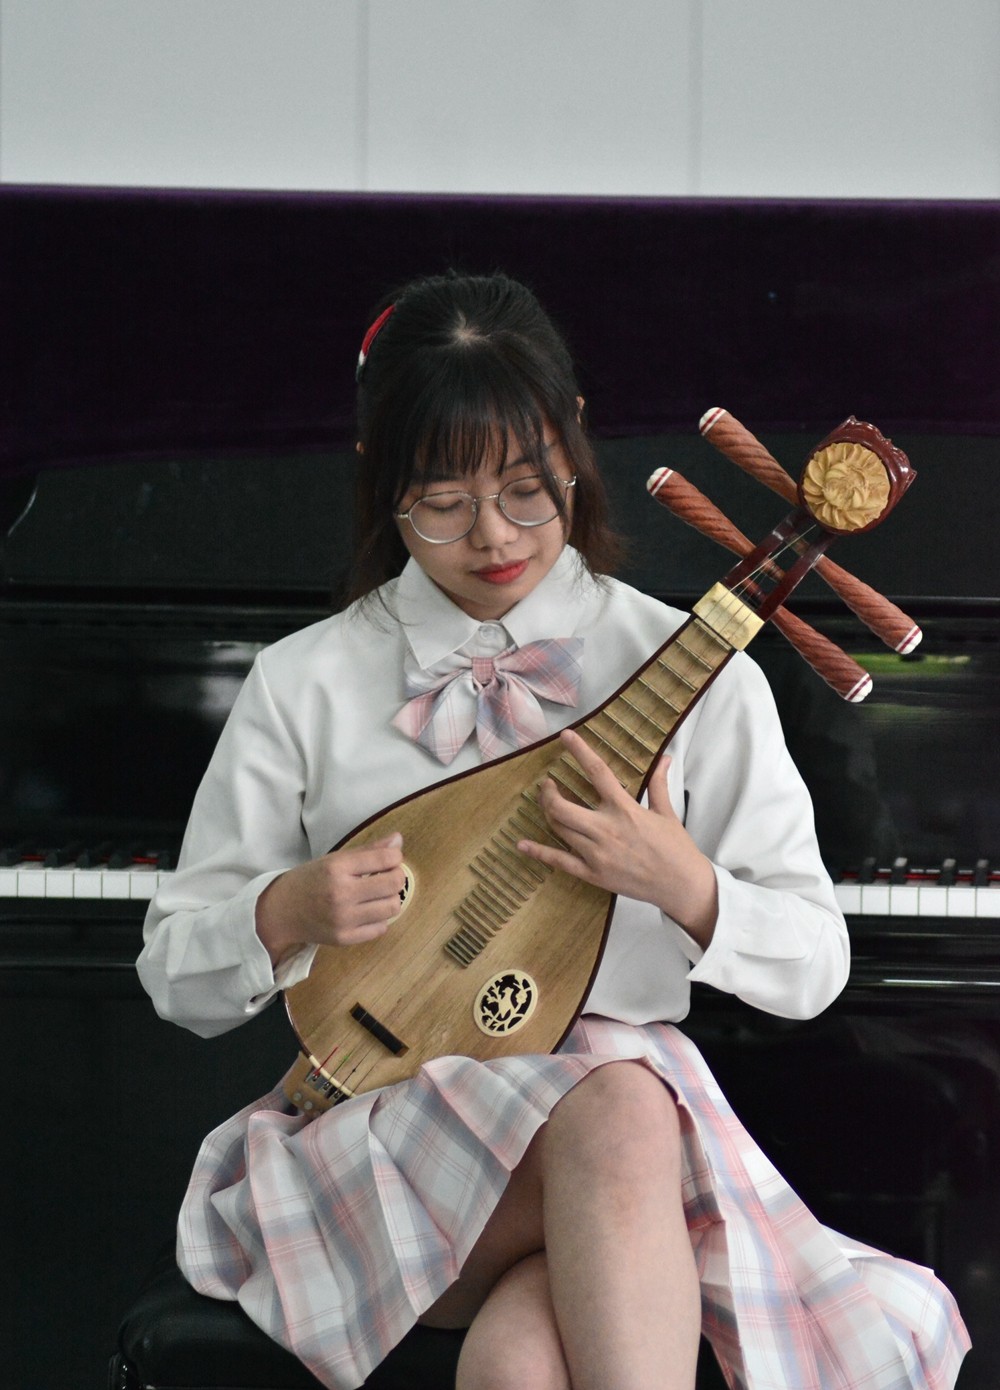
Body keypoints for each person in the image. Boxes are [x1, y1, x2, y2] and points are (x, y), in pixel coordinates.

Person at [138, 271, 969, 1390]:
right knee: (619, 1112)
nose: (493, 536)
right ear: (378, 475)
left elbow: (816, 968)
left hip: (615, 1160)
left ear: (575, 440)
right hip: (376, 1132)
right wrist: (284, 910)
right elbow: (175, 974)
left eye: (527, 490)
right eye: (442, 501)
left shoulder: (692, 670)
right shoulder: (306, 681)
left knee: (523, 1360)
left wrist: (682, 883)